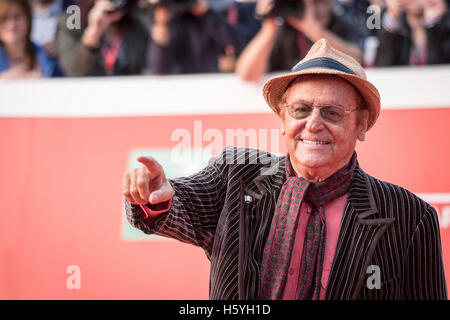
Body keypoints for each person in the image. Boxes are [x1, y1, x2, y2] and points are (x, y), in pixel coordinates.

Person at [123, 39, 447, 300]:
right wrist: (155, 197)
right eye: (301, 109)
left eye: (332, 113)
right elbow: (177, 207)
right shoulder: (236, 175)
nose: (313, 124)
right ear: (282, 120)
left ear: (361, 125)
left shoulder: (410, 216)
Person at [235, 0, 368, 82]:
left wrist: (310, 27)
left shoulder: (345, 23)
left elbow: (356, 63)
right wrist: (269, 27)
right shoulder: (283, 30)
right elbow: (247, 74)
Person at [146, 0, 249, 74]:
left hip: (215, 86)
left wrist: (207, 13)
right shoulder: (166, 18)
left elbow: (243, 44)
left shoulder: (222, 8)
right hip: (179, 91)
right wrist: (161, 22)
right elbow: (158, 68)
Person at [55, 0, 149, 76]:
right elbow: (73, 71)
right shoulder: (71, 22)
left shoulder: (136, 24)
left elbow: (147, 67)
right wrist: (94, 32)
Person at [375, 0, 450, 66]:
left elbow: (438, 69)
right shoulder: (396, 25)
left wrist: (432, 24)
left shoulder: (444, 25)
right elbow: (383, 66)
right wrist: (393, 16)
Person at [0, 0, 62, 78]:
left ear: (28, 19)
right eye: (4, 19)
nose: (12, 25)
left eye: (17, 17)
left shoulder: (48, 56)